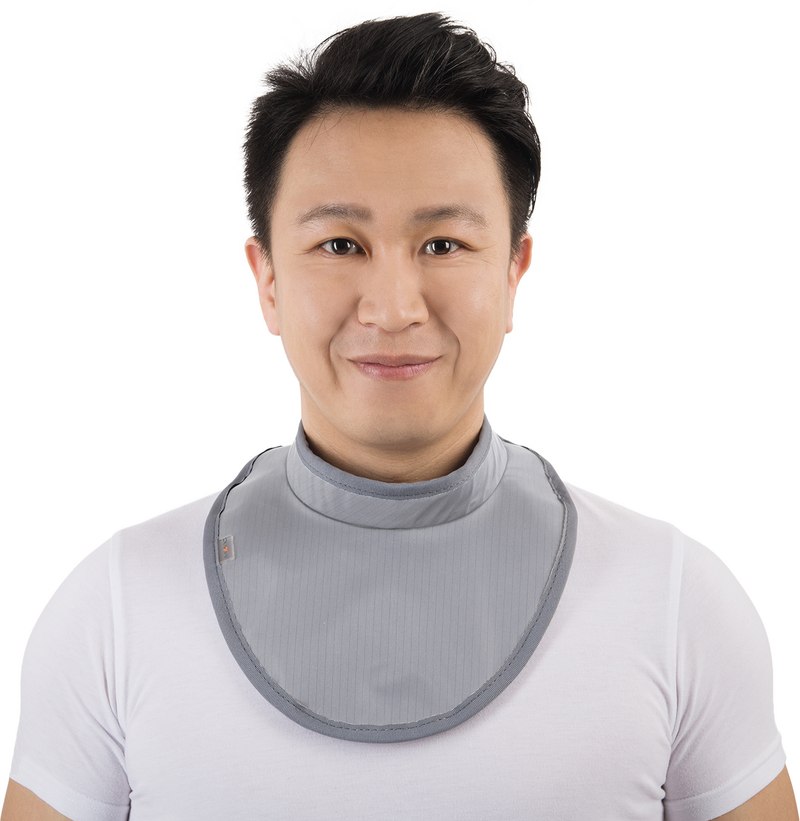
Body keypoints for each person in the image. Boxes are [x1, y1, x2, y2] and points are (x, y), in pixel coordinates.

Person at [2, 11, 797, 821]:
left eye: (443, 244)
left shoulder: (674, 601)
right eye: (340, 245)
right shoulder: (115, 609)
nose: (392, 307)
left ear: (514, 271)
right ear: (267, 280)